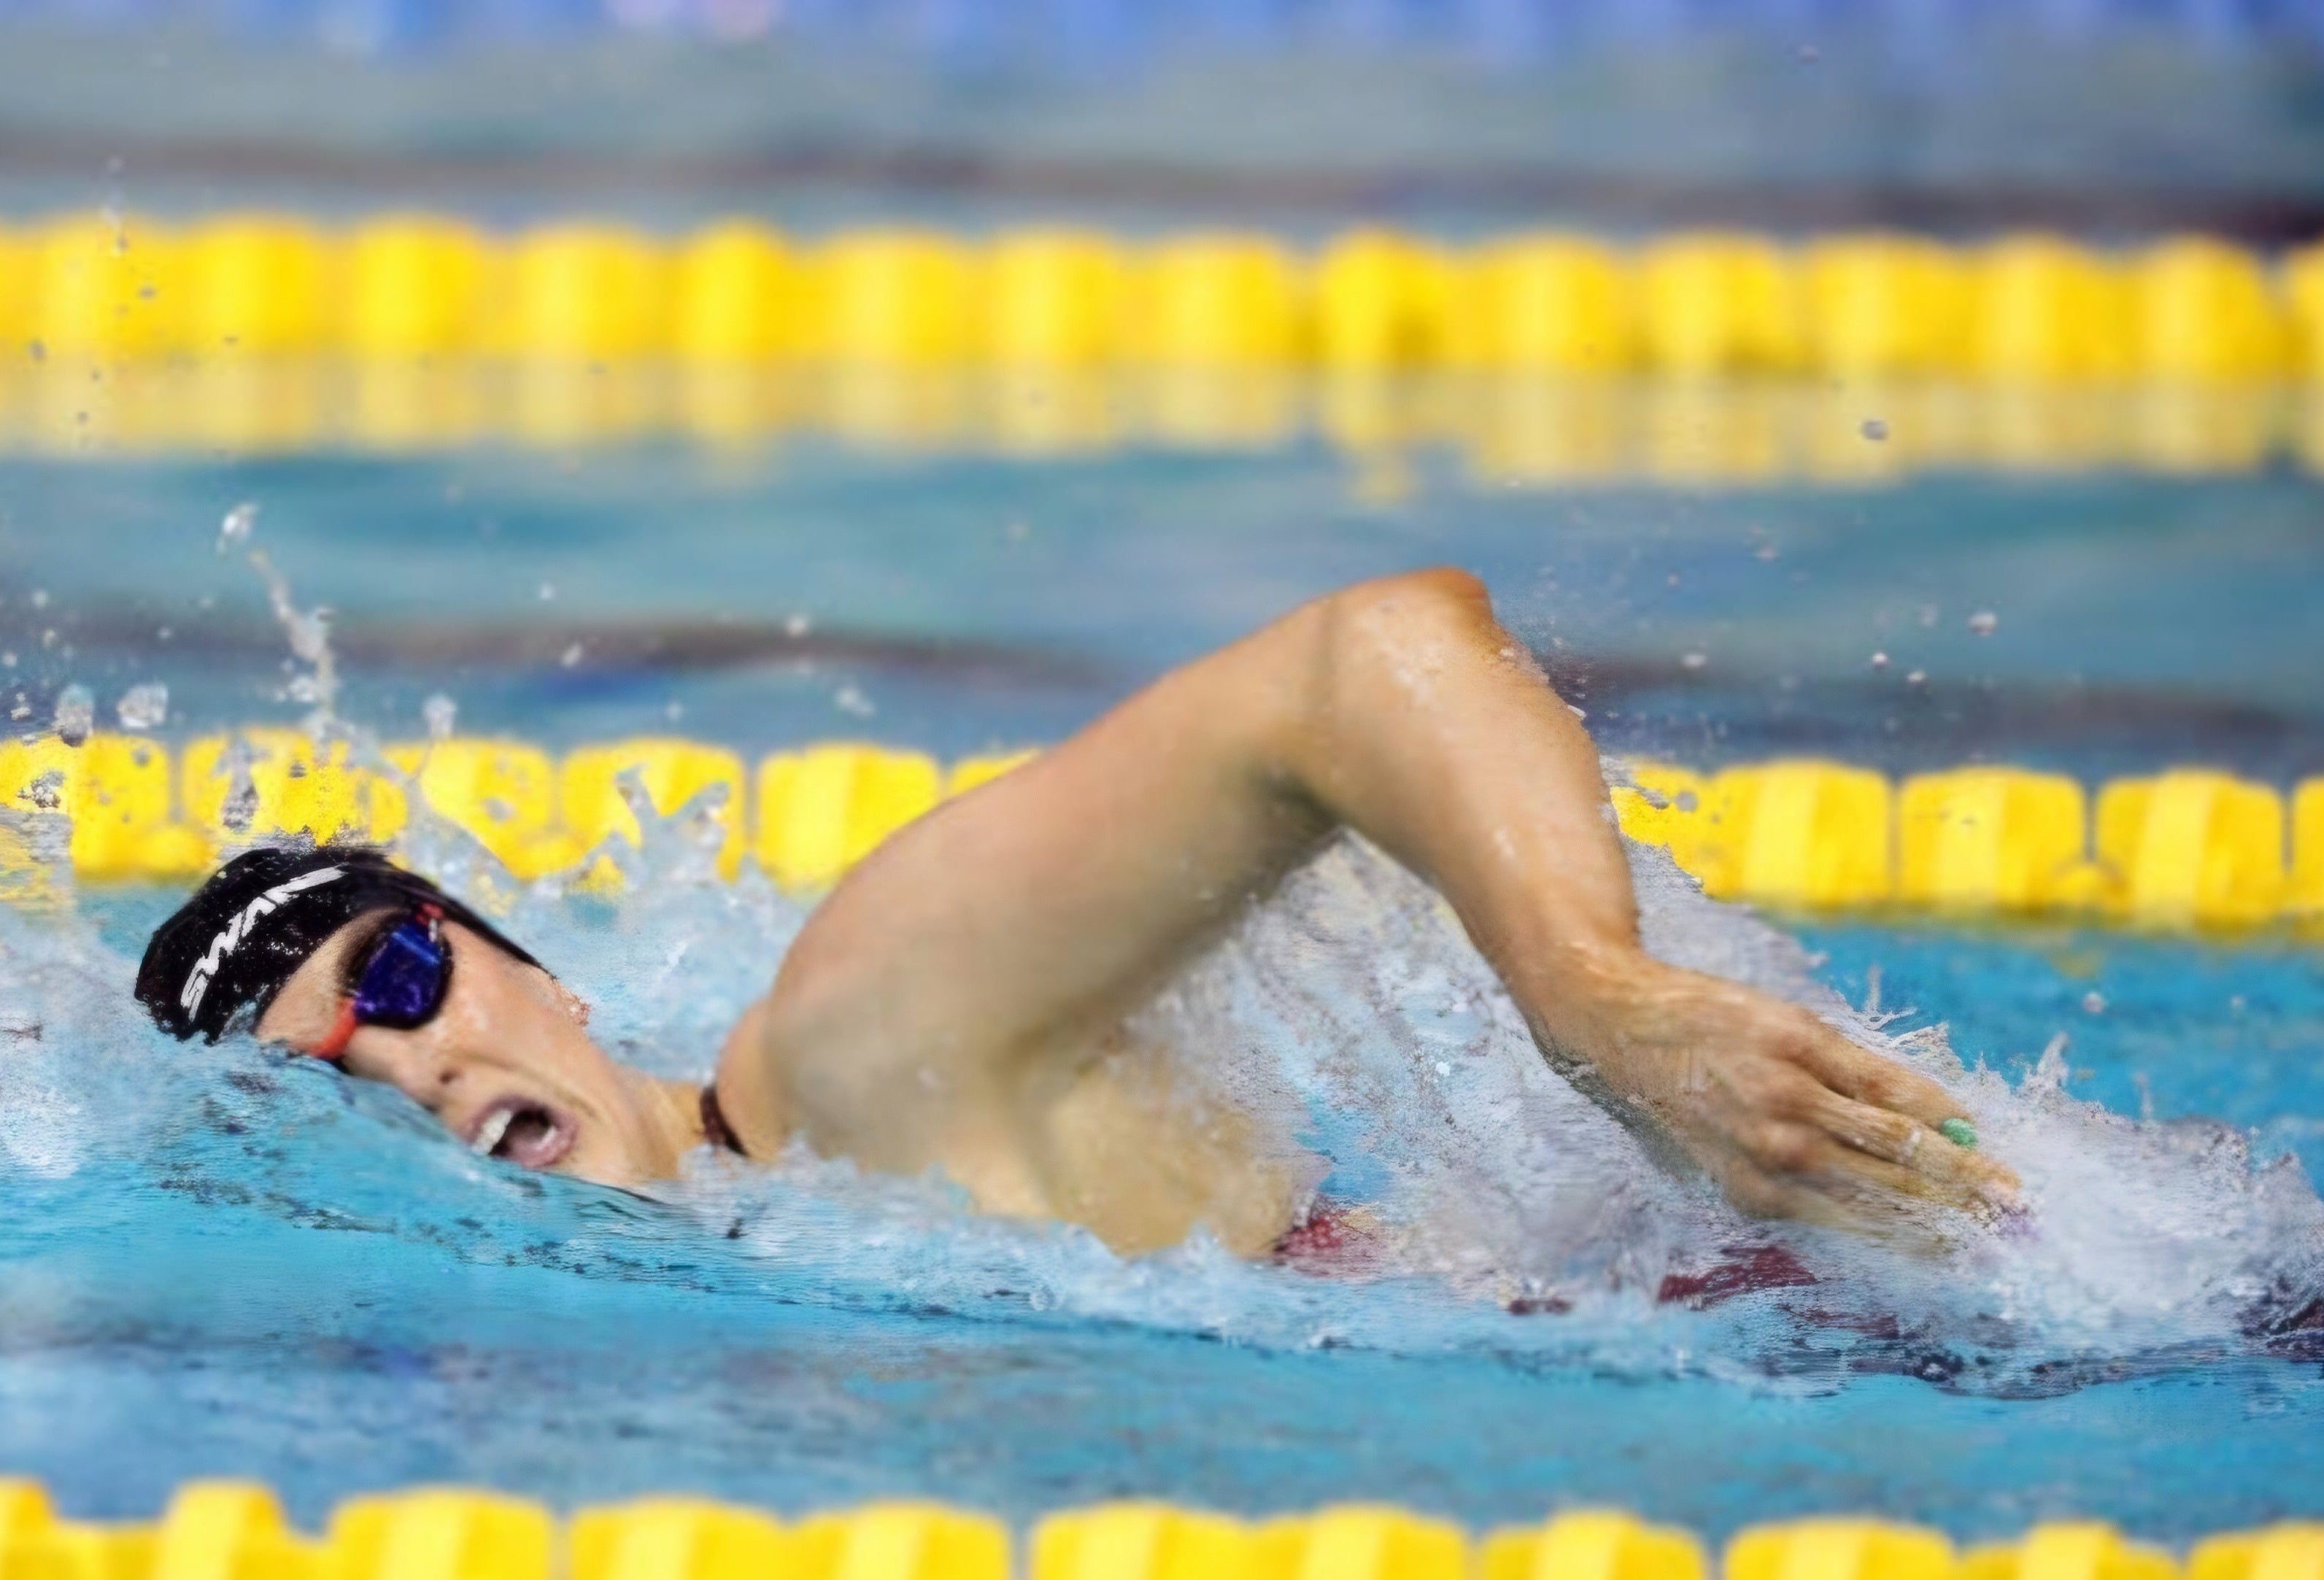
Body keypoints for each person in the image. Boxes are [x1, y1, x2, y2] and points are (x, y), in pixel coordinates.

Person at [136, 568, 2019, 1259]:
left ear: (525, 965)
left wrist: (1593, 997)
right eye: (325, 1074)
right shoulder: (760, 1251)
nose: (405, 1060)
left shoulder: (858, 1052)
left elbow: (1363, 663)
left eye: (394, 972)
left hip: (1935, 1311)